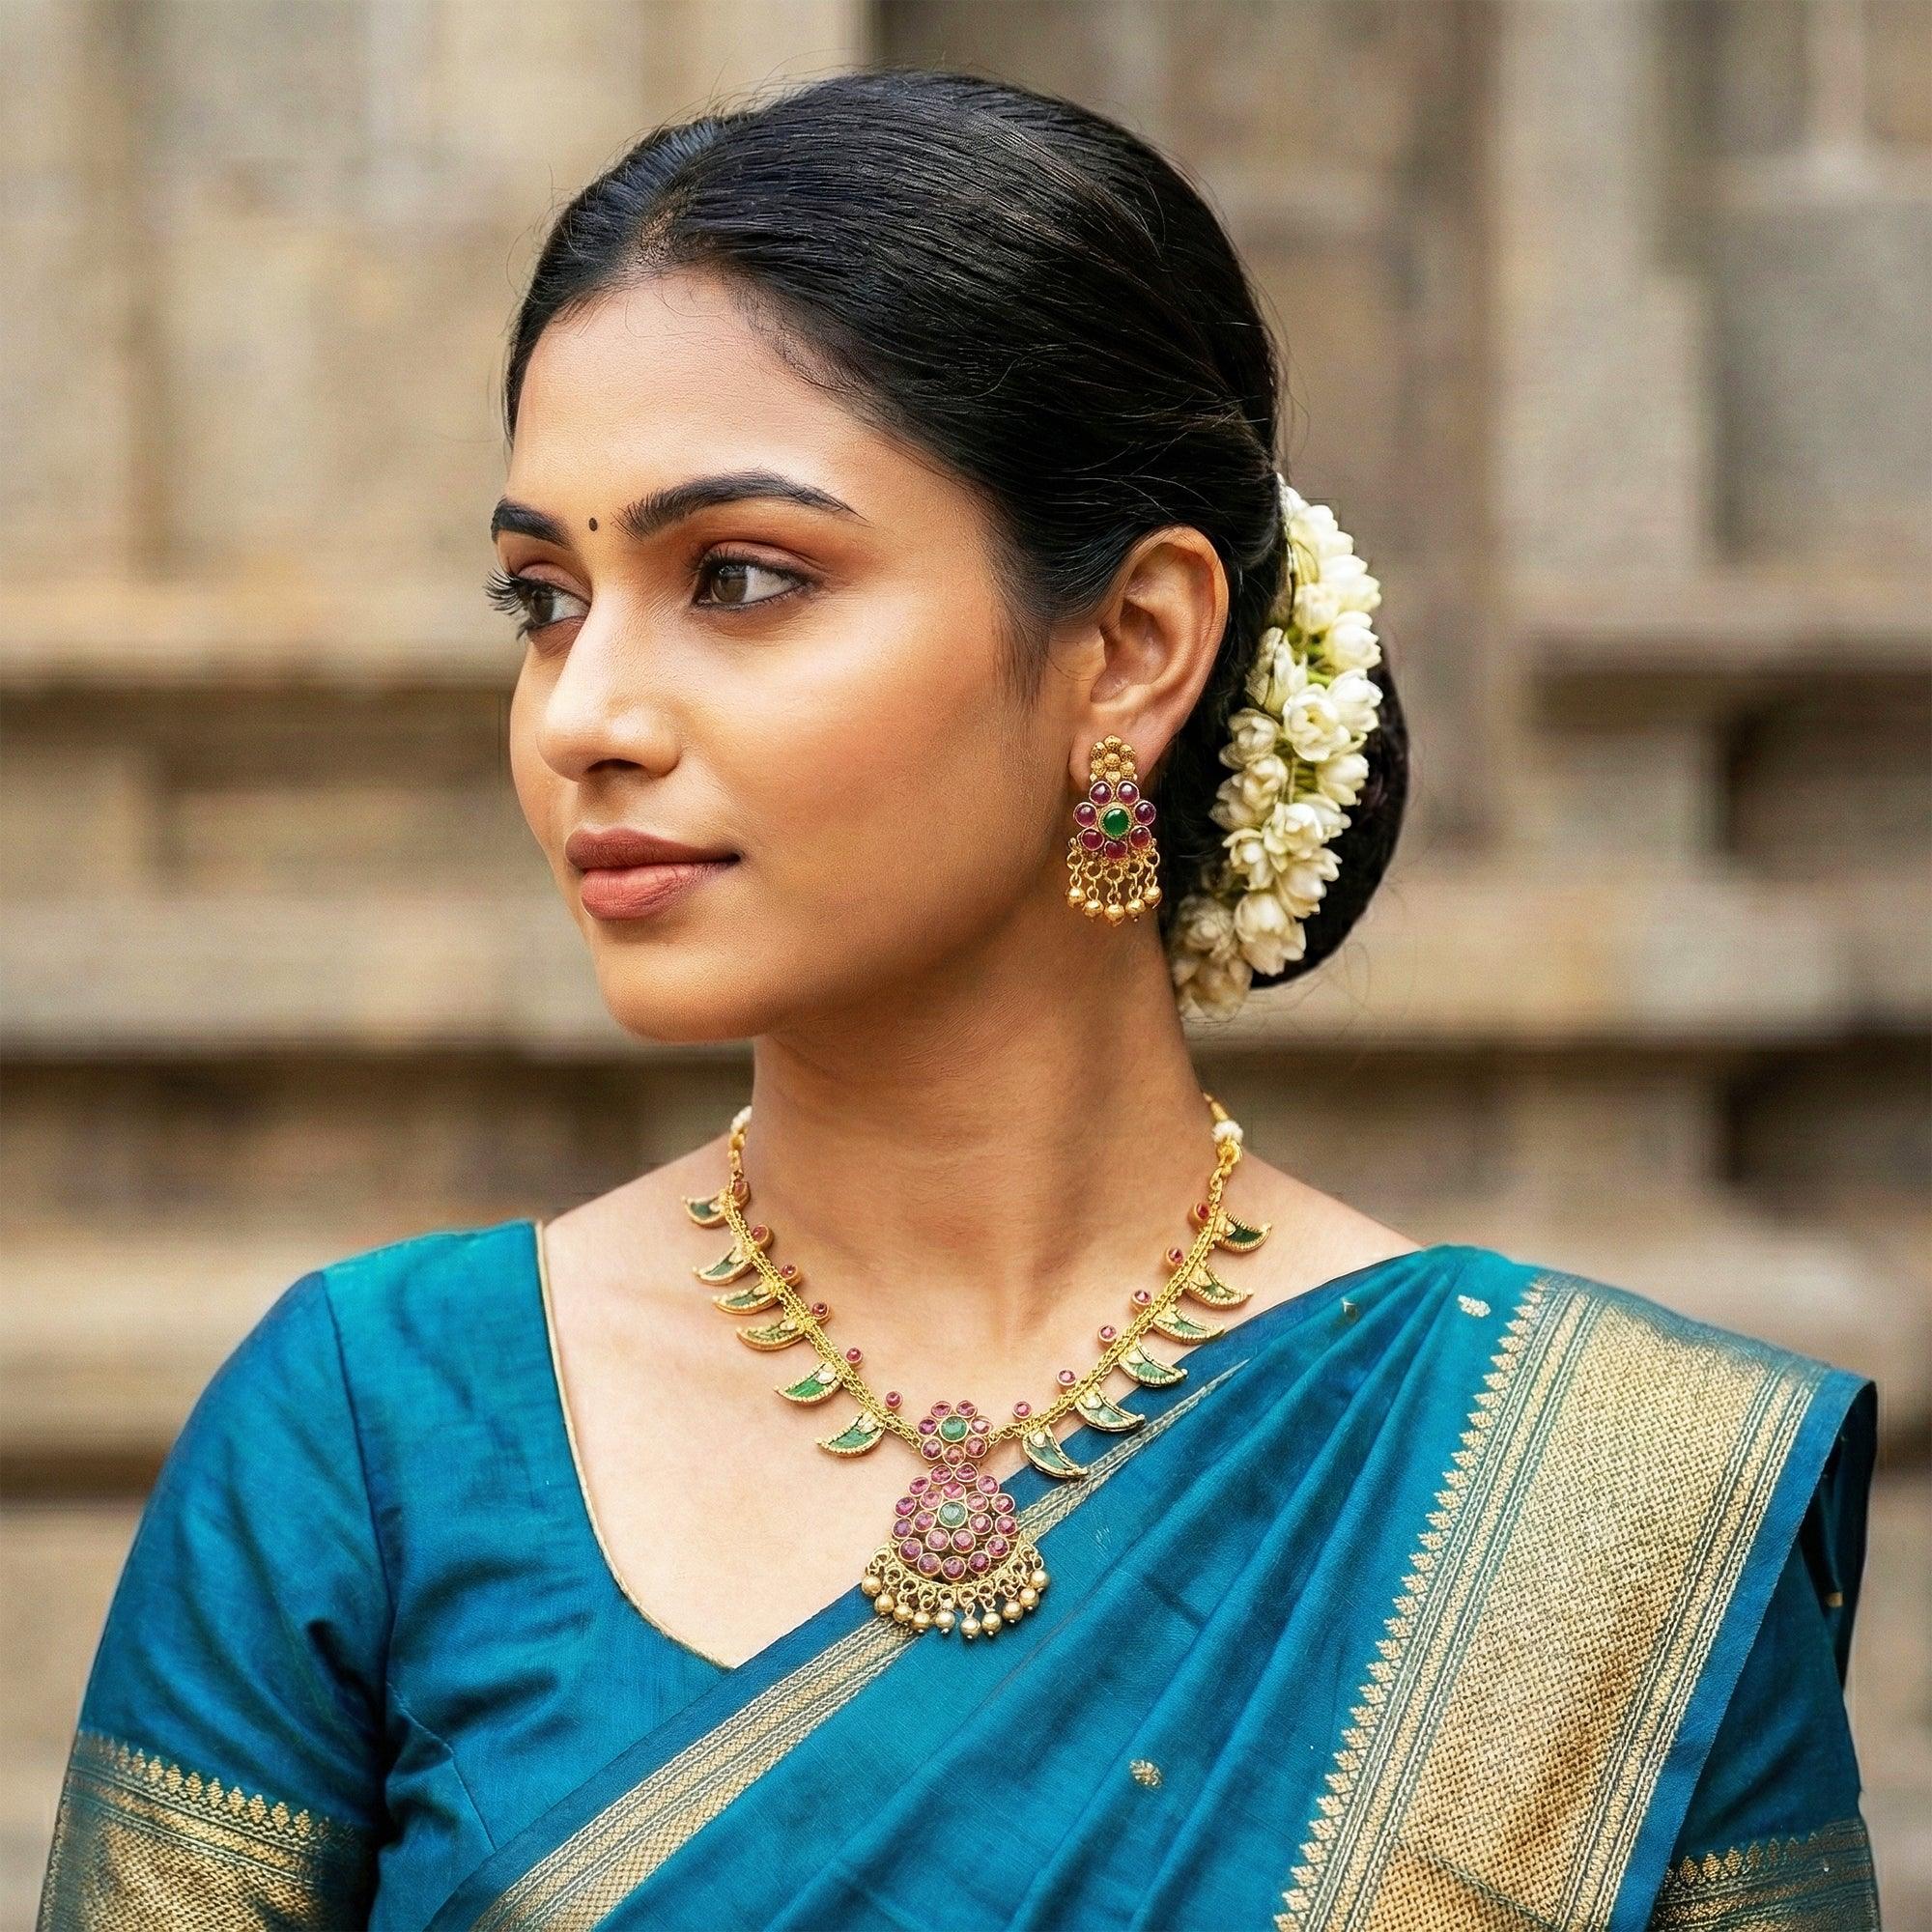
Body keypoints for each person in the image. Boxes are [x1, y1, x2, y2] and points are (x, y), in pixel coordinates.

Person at [38, 69, 1879, 1932]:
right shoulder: (378, 1430)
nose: (583, 715)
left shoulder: (1589, 1499)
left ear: (1132, 649)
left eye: (740, 578)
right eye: (543, 599)